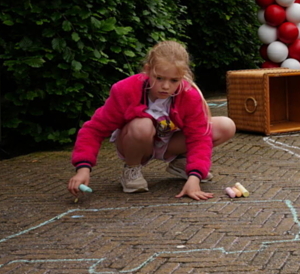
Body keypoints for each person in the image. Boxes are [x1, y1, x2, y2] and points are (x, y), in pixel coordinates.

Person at [67, 40, 236, 200]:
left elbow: (199, 137)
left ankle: (180, 163)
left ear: (183, 76)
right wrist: (83, 168)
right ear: (148, 70)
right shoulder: (125, 90)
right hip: (135, 140)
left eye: (174, 80)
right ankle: (132, 169)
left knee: (226, 126)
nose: (165, 86)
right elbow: (94, 129)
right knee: (142, 125)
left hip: (169, 143)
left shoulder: (189, 95)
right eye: (159, 78)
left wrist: (195, 177)